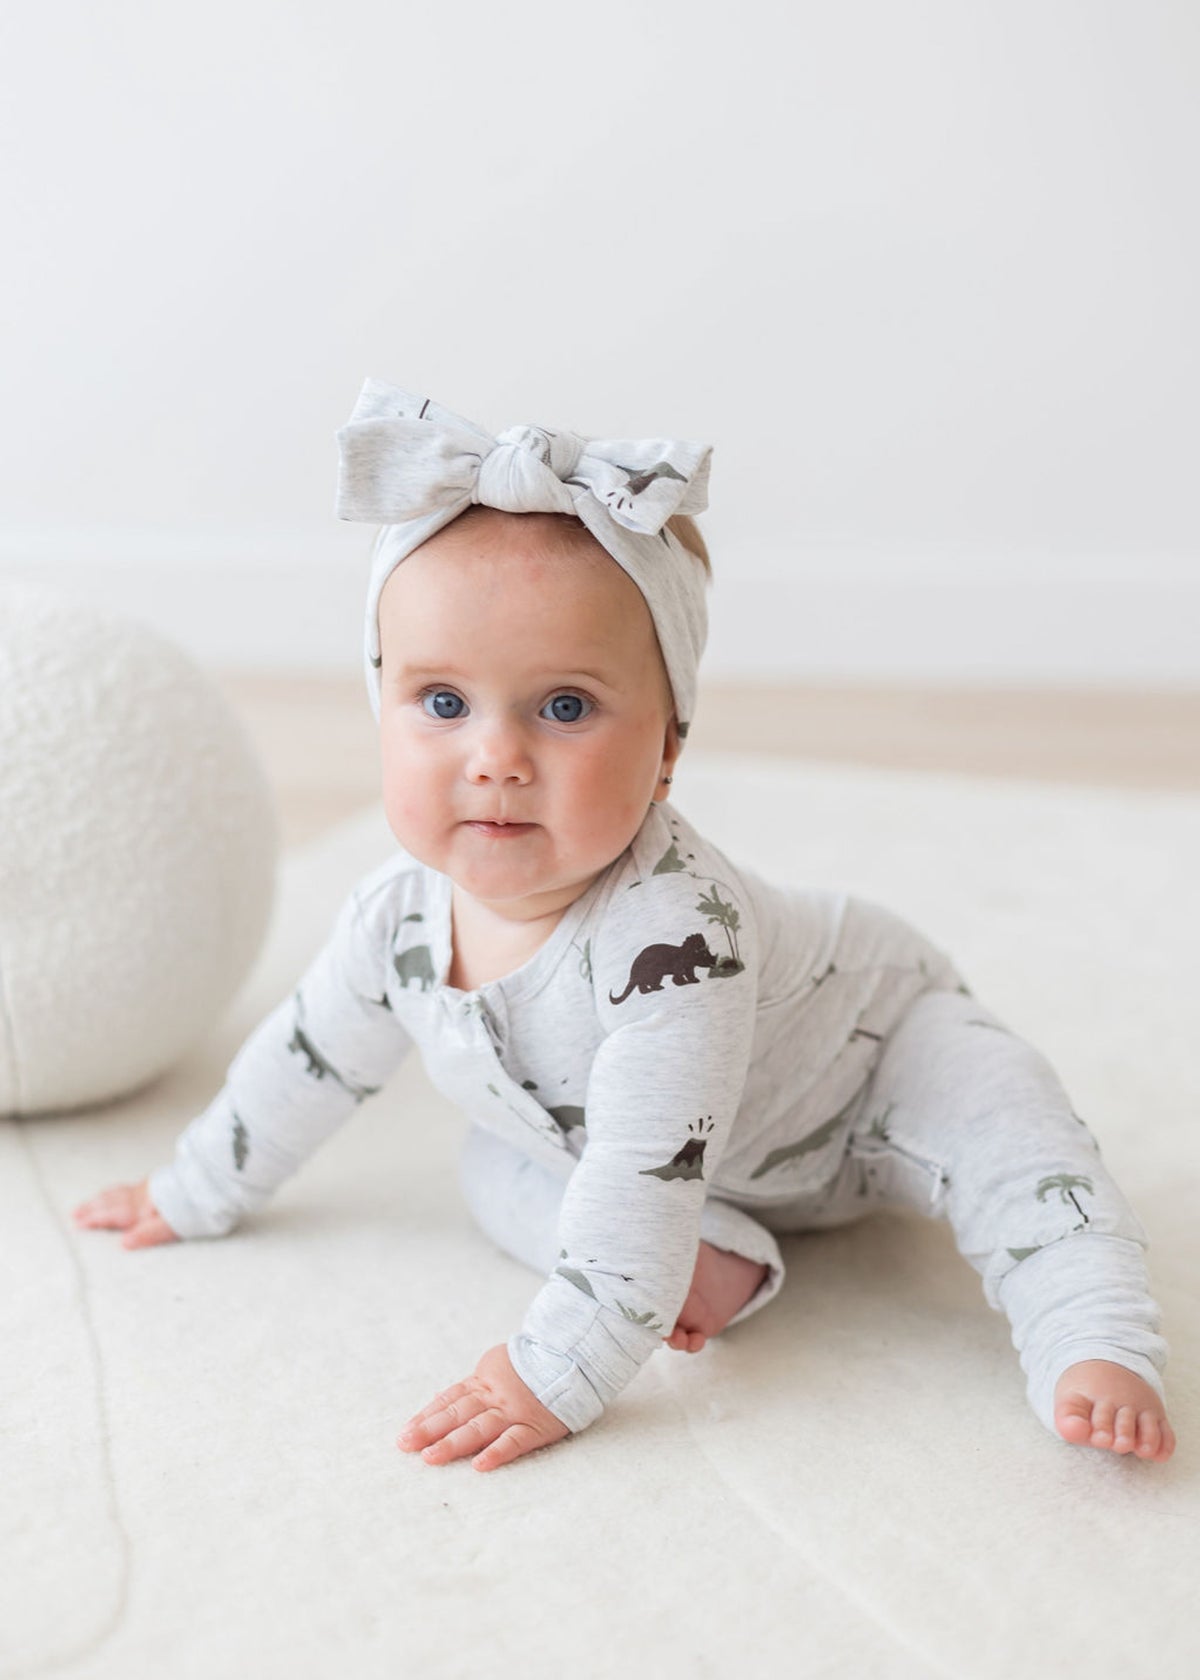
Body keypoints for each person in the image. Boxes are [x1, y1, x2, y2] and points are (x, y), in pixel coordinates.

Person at [73, 379, 1175, 1471]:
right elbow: (303, 1061)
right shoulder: (393, 921)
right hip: (668, 1157)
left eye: (565, 707)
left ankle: (1092, 1333)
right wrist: (194, 1187)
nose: (495, 758)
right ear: (381, 709)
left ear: (666, 748)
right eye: (443, 703)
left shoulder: (678, 937)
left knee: (1011, 1131)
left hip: (870, 1070)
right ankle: (713, 1256)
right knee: (490, 1167)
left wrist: (555, 1369)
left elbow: (648, 1165)